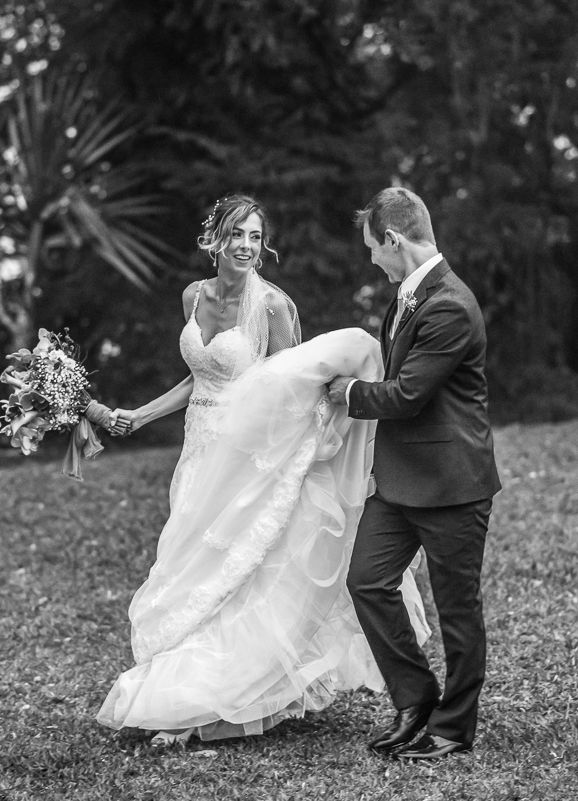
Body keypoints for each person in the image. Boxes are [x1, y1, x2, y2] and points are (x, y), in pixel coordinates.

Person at [97, 195, 429, 746]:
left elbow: (291, 388)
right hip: (197, 448)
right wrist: (142, 414)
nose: (247, 246)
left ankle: (216, 697)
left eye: (255, 236)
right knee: (193, 562)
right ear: (215, 241)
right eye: (237, 235)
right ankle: (183, 680)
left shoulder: (273, 306)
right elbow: (199, 377)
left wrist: (298, 458)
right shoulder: (192, 297)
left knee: (239, 565)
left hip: (248, 455)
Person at [326, 187, 502, 760]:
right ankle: (415, 698)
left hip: (452, 485)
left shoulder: (449, 303)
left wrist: (348, 392)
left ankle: (453, 729)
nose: (371, 257)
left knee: (457, 611)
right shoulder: (407, 296)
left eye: (373, 247)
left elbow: (407, 394)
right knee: (367, 582)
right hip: (400, 483)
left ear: (395, 240)